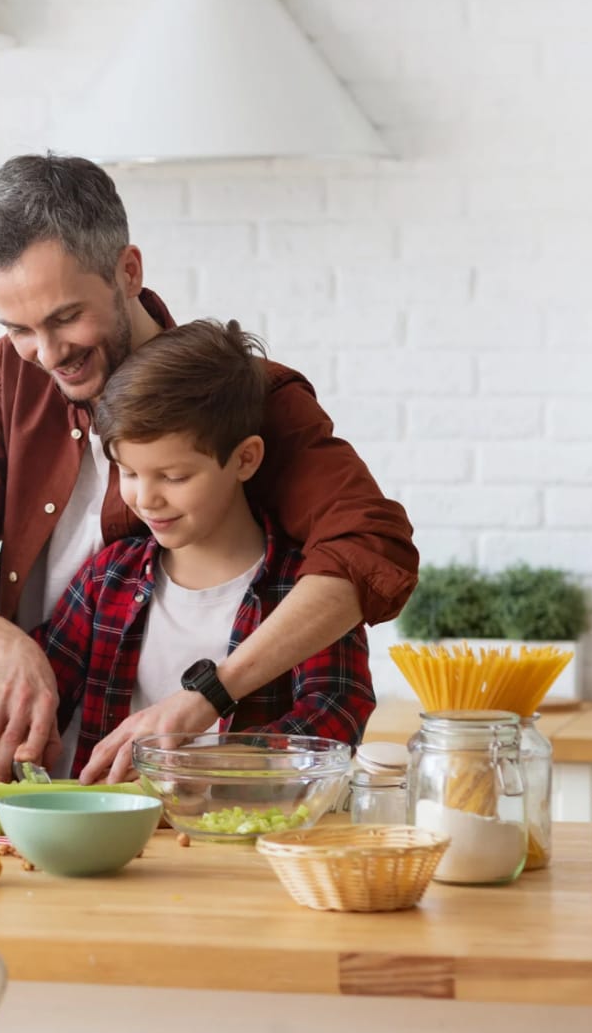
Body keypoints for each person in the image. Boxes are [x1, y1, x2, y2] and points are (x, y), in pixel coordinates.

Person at [0, 153, 417, 781]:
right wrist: (8, 648)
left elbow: (369, 548)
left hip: (219, 809)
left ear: (128, 270)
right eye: (18, 328)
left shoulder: (244, 397)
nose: (47, 354)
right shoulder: (10, 376)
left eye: (64, 318)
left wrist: (208, 700)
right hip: (55, 791)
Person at [38, 319, 376, 783]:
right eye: (129, 472)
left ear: (245, 459)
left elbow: (334, 717)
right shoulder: (105, 579)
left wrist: (195, 768)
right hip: (111, 839)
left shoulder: (305, 592)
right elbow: (45, 694)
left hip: (243, 841)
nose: (146, 499)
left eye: (174, 477)